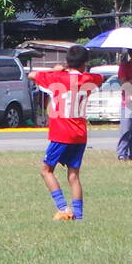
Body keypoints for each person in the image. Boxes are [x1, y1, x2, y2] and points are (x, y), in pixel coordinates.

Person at [31, 45, 102, 221]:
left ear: (67, 61)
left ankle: (63, 208)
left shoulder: (56, 77)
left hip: (61, 133)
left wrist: (55, 69)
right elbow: (100, 77)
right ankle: (78, 215)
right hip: (80, 133)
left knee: (46, 170)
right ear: (84, 64)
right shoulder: (89, 79)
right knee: (73, 175)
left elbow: (31, 75)